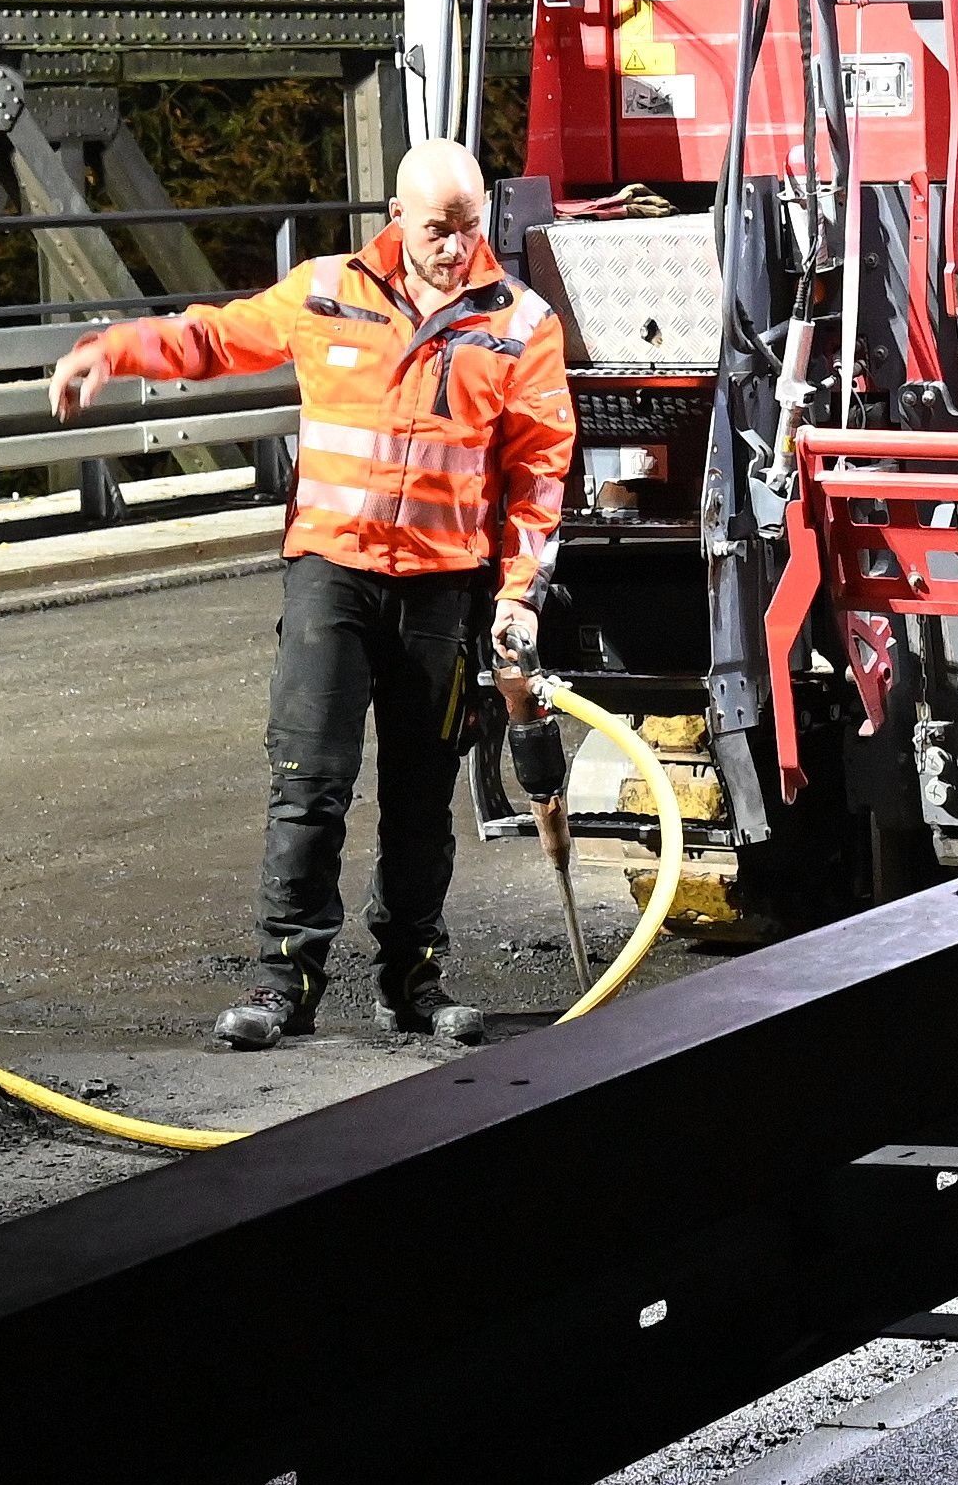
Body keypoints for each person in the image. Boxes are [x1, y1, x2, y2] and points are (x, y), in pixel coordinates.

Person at [50, 138, 575, 1051]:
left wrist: (519, 593)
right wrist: (119, 349)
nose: (455, 247)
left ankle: (413, 980)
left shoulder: (519, 324)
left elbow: (538, 470)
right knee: (308, 784)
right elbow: (218, 337)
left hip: (441, 589)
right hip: (332, 574)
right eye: (436, 229)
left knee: (422, 795)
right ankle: (282, 982)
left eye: (468, 226)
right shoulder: (328, 288)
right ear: (399, 219)